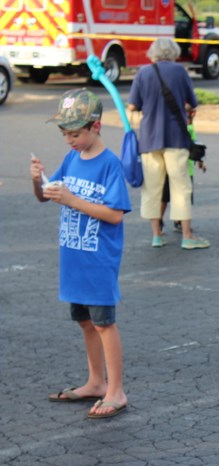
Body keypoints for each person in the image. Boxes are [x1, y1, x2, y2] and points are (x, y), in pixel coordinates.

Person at [30, 89, 131, 419]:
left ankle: (116, 391)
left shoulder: (109, 164)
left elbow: (115, 213)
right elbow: (48, 196)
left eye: (75, 133)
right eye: (64, 134)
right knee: (86, 322)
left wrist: (72, 200)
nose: (69, 140)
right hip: (74, 258)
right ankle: (96, 382)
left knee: (104, 324)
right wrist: (37, 182)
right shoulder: (73, 159)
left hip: (98, 260)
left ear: (96, 127)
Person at [128, 38, 210, 250]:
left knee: (152, 188)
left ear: (153, 52)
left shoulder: (143, 72)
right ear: (173, 52)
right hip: (175, 137)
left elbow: (133, 105)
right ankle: (187, 236)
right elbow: (192, 102)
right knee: (181, 187)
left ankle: (156, 235)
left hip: (149, 138)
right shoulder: (179, 72)